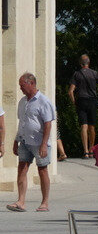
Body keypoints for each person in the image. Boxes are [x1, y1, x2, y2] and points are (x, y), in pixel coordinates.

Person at [7, 73, 56, 212]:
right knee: (21, 168)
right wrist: (16, 140)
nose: (20, 88)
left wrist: (44, 144)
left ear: (32, 84)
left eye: (22, 85)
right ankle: (21, 201)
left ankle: (44, 202)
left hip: (40, 142)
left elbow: (48, 124)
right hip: (24, 141)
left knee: (42, 170)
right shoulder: (23, 102)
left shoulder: (43, 101)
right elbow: (22, 122)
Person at [68, 54, 98, 159]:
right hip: (92, 101)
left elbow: (70, 91)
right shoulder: (95, 73)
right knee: (92, 126)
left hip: (81, 100)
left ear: (80, 64)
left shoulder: (77, 74)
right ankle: (91, 149)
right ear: (88, 63)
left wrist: (74, 102)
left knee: (83, 126)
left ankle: (85, 151)